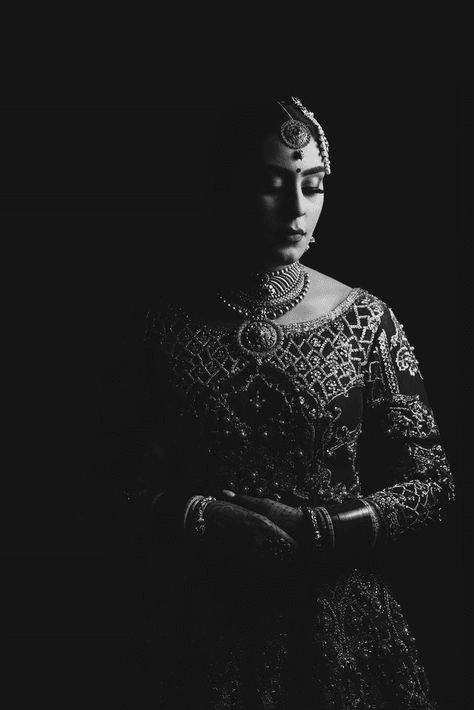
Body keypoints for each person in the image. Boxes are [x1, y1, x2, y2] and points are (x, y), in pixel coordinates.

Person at [90, 96, 455, 708]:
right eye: (271, 185)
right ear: (225, 188)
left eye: (312, 187)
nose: (296, 209)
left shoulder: (364, 320)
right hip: (193, 628)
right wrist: (204, 518)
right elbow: (105, 485)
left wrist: (322, 530)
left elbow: (433, 485)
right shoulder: (159, 326)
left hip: (342, 629)